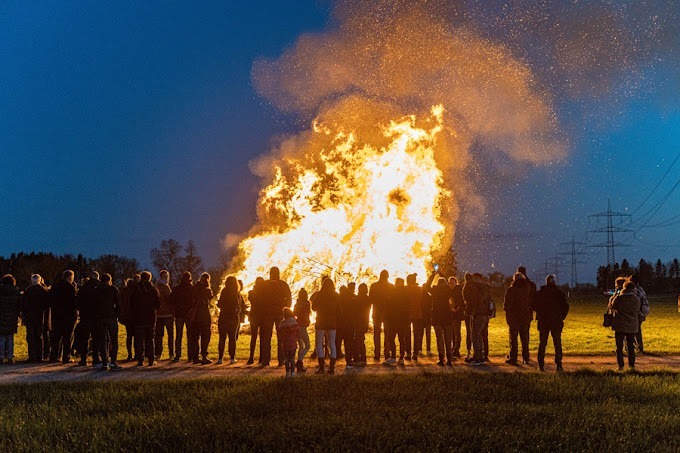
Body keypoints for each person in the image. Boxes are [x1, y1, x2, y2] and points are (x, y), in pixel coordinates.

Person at [534, 274, 569, 372]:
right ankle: (559, 364)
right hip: (556, 321)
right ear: (554, 282)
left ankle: (541, 364)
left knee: (543, 343)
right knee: (557, 343)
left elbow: (534, 305)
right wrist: (561, 317)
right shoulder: (559, 293)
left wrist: (541, 313)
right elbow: (565, 307)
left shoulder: (540, 293)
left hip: (543, 321)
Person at [259, 267, 292, 367]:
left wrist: (263, 309)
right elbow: (289, 298)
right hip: (280, 313)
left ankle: (266, 360)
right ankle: (281, 359)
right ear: (278, 274)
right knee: (281, 337)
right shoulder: (283, 284)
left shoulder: (265, 285)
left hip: (267, 314)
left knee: (266, 337)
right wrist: (286, 309)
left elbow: (260, 298)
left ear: (270, 274)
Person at [130, 271, 161, 366]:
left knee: (139, 340)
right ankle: (151, 359)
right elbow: (158, 304)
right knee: (150, 339)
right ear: (149, 278)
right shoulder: (153, 289)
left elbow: (131, 303)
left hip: (138, 318)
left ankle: (140, 360)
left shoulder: (135, 289)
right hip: (150, 318)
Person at [608, 280, 641, 371]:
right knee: (630, 346)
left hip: (620, 325)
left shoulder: (619, 298)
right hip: (632, 325)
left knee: (619, 347)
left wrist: (615, 294)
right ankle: (632, 365)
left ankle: (620, 366)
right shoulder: (637, 299)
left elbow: (612, 306)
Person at [503, 272, 533, 365]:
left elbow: (507, 304)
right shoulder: (528, 289)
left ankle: (513, 357)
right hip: (525, 316)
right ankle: (526, 357)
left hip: (514, 317)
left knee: (513, 338)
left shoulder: (512, 290)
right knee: (525, 338)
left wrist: (507, 309)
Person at [49, 270, 78, 363]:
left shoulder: (55, 286)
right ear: (70, 277)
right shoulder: (71, 288)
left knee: (56, 338)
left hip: (56, 315)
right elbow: (74, 302)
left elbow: (50, 300)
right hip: (68, 316)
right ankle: (66, 357)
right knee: (68, 338)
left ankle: (54, 356)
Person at [312, 278, 339, 374]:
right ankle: (331, 368)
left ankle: (322, 367)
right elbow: (339, 309)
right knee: (332, 344)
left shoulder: (319, 294)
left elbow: (313, 307)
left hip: (321, 322)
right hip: (332, 323)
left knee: (319, 344)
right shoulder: (336, 295)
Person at [426, 272, 453, 366]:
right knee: (448, 339)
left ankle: (441, 359)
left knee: (439, 339)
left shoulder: (434, 290)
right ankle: (449, 359)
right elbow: (449, 285)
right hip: (447, 317)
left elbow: (427, 285)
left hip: (437, 317)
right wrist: (442, 274)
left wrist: (433, 275)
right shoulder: (447, 290)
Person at [96, 273, 121, 370]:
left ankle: (104, 362)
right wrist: (117, 315)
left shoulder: (97, 290)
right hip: (111, 317)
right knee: (114, 340)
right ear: (109, 280)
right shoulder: (113, 289)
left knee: (103, 340)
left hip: (100, 317)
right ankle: (113, 362)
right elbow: (118, 304)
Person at [76, 271, 102, 367]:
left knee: (84, 338)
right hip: (96, 317)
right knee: (96, 339)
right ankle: (95, 358)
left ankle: (83, 359)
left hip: (85, 317)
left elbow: (77, 302)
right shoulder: (100, 287)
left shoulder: (83, 288)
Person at [462, 272, 489, 365]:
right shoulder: (483, 288)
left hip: (479, 314)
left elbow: (474, 300)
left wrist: (471, 311)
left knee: (475, 335)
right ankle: (479, 356)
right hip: (480, 314)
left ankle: (477, 357)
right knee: (477, 335)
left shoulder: (480, 288)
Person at [22, 274, 49, 362]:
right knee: (39, 337)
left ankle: (32, 356)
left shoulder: (28, 291)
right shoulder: (44, 291)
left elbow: (24, 305)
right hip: (41, 317)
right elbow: (47, 305)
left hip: (30, 317)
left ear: (32, 280)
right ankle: (40, 356)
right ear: (40, 280)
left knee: (30, 337)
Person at [189, 272, 214, 365]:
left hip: (194, 317)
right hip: (203, 316)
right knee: (205, 337)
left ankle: (195, 357)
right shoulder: (207, 290)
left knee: (195, 338)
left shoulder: (194, 288)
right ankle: (204, 356)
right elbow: (211, 297)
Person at [385, 277, 410, 365]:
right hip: (402, 321)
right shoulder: (406, 294)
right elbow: (408, 308)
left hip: (394, 320)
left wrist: (388, 318)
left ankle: (393, 357)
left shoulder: (393, 293)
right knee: (401, 339)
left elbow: (389, 307)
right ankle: (401, 357)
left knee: (391, 338)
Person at [217, 276, 241, 364]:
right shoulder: (236, 293)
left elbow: (220, 304)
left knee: (222, 338)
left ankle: (220, 358)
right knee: (232, 338)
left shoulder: (224, 291)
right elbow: (238, 306)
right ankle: (232, 358)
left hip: (223, 317)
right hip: (233, 318)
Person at [369, 270, 392, 361]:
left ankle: (377, 354)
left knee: (377, 333)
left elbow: (371, 298)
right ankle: (387, 353)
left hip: (377, 312)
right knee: (387, 333)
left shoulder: (374, 286)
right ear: (387, 276)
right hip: (387, 313)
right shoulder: (391, 286)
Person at [171, 272, 193, 362]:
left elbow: (171, 300)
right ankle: (190, 356)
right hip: (189, 315)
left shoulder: (176, 289)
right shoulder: (192, 289)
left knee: (178, 336)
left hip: (179, 314)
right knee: (190, 336)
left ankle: (177, 355)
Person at [0, 274, 22, 364]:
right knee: (10, 338)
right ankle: (10, 357)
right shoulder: (16, 292)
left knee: (1, 338)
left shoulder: (0, 291)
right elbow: (19, 305)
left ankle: (1, 357)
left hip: (1, 317)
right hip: (12, 317)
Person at [154, 270, 174, 360]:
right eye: (165, 277)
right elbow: (170, 299)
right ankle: (171, 353)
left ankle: (158, 353)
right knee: (170, 335)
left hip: (159, 314)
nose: (166, 278)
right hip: (167, 314)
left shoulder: (156, 287)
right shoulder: (166, 287)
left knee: (159, 335)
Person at [119, 277, 137, 361]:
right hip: (136, 317)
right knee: (137, 337)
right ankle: (137, 354)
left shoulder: (124, 291)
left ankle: (129, 354)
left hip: (127, 316)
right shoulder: (137, 290)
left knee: (129, 336)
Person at [246, 277, 264, 365]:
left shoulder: (251, 292)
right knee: (262, 338)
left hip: (253, 316)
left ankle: (251, 358)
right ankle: (261, 358)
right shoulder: (264, 293)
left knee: (254, 337)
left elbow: (252, 300)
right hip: (262, 317)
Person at [449, 276, 468, 359]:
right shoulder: (450, 291)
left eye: (452, 283)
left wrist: (456, 307)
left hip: (457, 315)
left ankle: (456, 349)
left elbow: (460, 302)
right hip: (451, 315)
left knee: (456, 333)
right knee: (452, 333)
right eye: (449, 283)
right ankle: (454, 349)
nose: (450, 284)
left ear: (456, 283)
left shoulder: (458, 291)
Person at [353, 283, 371, 366]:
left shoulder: (357, 299)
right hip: (365, 321)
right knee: (361, 339)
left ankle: (357, 357)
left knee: (357, 340)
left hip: (357, 321)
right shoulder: (368, 299)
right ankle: (363, 357)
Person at [278, 307, 299, 377]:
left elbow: (280, 334)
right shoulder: (295, 322)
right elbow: (298, 332)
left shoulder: (282, 323)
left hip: (285, 343)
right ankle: (293, 373)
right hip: (293, 342)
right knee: (292, 358)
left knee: (287, 358)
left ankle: (287, 373)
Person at [293, 288, 311, 372]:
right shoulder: (307, 304)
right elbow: (307, 313)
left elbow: (294, 314)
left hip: (297, 326)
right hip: (303, 326)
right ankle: (299, 361)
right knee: (307, 345)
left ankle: (300, 363)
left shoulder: (296, 304)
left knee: (301, 346)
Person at [630, 275, 648, 354]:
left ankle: (636, 346)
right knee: (637, 330)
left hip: (637, 312)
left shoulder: (635, 290)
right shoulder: (641, 289)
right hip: (643, 311)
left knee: (634, 330)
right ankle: (639, 346)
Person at [406, 274, 422, 361]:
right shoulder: (419, 289)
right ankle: (415, 354)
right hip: (417, 314)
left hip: (407, 314)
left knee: (407, 335)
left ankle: (408, 353)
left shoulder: (405, 289)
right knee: (416, 335)